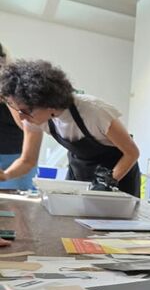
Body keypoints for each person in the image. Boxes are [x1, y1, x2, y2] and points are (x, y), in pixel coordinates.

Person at [0, 60, 140, 195]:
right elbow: (27, 160)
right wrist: (5, 175)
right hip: (79, 172)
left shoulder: (93, 111)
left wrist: (107, 182)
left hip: (118, 174)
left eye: (25, 111)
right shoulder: (33, 118)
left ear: (49, 105)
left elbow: (132, 153)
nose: (21, 117)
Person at [0, 43, 37, 190]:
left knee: (13, 207)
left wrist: (6, 93)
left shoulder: (16, 86)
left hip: (16, 159)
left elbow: (26, 124)